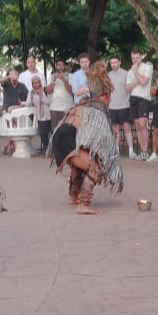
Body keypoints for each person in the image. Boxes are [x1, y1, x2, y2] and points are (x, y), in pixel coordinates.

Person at [49, 60, 124, 215]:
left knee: (79, 161)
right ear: (106, 95)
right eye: (109, 96)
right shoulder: (97, 112)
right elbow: (98, 144)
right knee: (95, 166)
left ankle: (74, 195)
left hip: (59, 140)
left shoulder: (83, 106)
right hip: (67, 140)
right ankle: (83, 203)